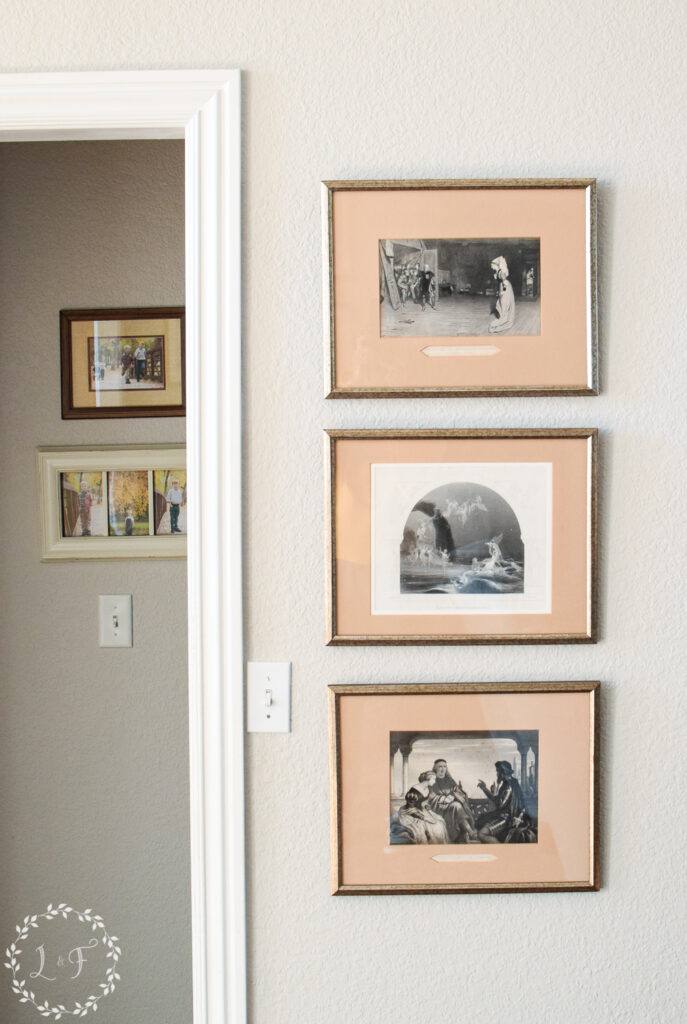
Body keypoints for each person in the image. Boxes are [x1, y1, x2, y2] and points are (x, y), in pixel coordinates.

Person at [475, 760, 535, 843]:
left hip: (506, 819)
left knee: (481, 834)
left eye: (497, 772)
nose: (497, 774)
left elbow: (500, 804)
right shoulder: (511, 783)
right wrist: (485, 789)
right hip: (504, 816)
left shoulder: (508, 786)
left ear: (502, 772)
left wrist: (485, 789)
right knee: (481, 820)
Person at [425, 761, 477, 843]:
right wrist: (445, 799)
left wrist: (455, 796)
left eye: (444, 766)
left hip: (451, 810)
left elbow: (460, 793)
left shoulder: (450, 781)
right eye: (440, 767)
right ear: (435, 768)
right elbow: (431, 799)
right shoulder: (432, 781)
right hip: (439, 810)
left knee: (457, 806)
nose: (442, 769)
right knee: (456, 806)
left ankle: (467, 832)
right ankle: (471, 832)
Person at [488, 256, 515, 334]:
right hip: (502, 289)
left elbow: (505, 283)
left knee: (504, 305)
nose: (491, 266)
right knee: (500, 305)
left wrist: (503, 292)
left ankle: (498, 324)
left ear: (496, 265)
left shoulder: (501, 272)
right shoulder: (497, 272)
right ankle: (501, 320)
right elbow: (500, 283)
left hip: (506, 290)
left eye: (492, 265)